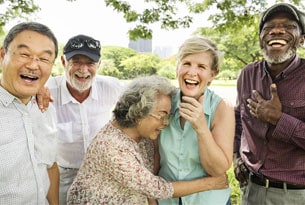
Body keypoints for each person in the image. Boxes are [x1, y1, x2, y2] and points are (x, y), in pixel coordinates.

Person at [66, 75, 229, 204]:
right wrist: (212, 183)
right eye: (161, 116)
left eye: (168, 116)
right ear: (139, 112)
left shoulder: (142, 137)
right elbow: (157, 188)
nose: (166, 123)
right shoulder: (112, 147)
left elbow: (151, 172)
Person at [233, 3, 305, 205]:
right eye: (268, 27)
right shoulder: (248, 74)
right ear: (261, 40)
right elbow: (238, 121)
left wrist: (278, 119)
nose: (277, 30)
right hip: (252, 190)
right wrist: (236, 157)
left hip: (295, 195)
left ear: (302, 39)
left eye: (288, 26)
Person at [45, 34, 124, 204]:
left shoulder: (112, 87)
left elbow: (145, 98)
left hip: (103, 173)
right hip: (63, 175)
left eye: (90, 63)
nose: (83, 69)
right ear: (64, 62)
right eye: (77, 62)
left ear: (99, 64)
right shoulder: (46, 90)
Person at [157, 36, 235, 205]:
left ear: (212, 75)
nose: (191, 72)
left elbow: (218, 169)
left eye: (201, 67)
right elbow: (153, 158)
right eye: (186, 63)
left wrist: (201, 127)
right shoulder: (163, 103)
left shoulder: (222, 108)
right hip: (167, 201)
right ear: (177, 68)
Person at [0, 22, 59, 204]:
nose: (34, 65)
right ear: (3, 55)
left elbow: (50, 166)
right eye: (25, 54)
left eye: (44, 59)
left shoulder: (45, 108)